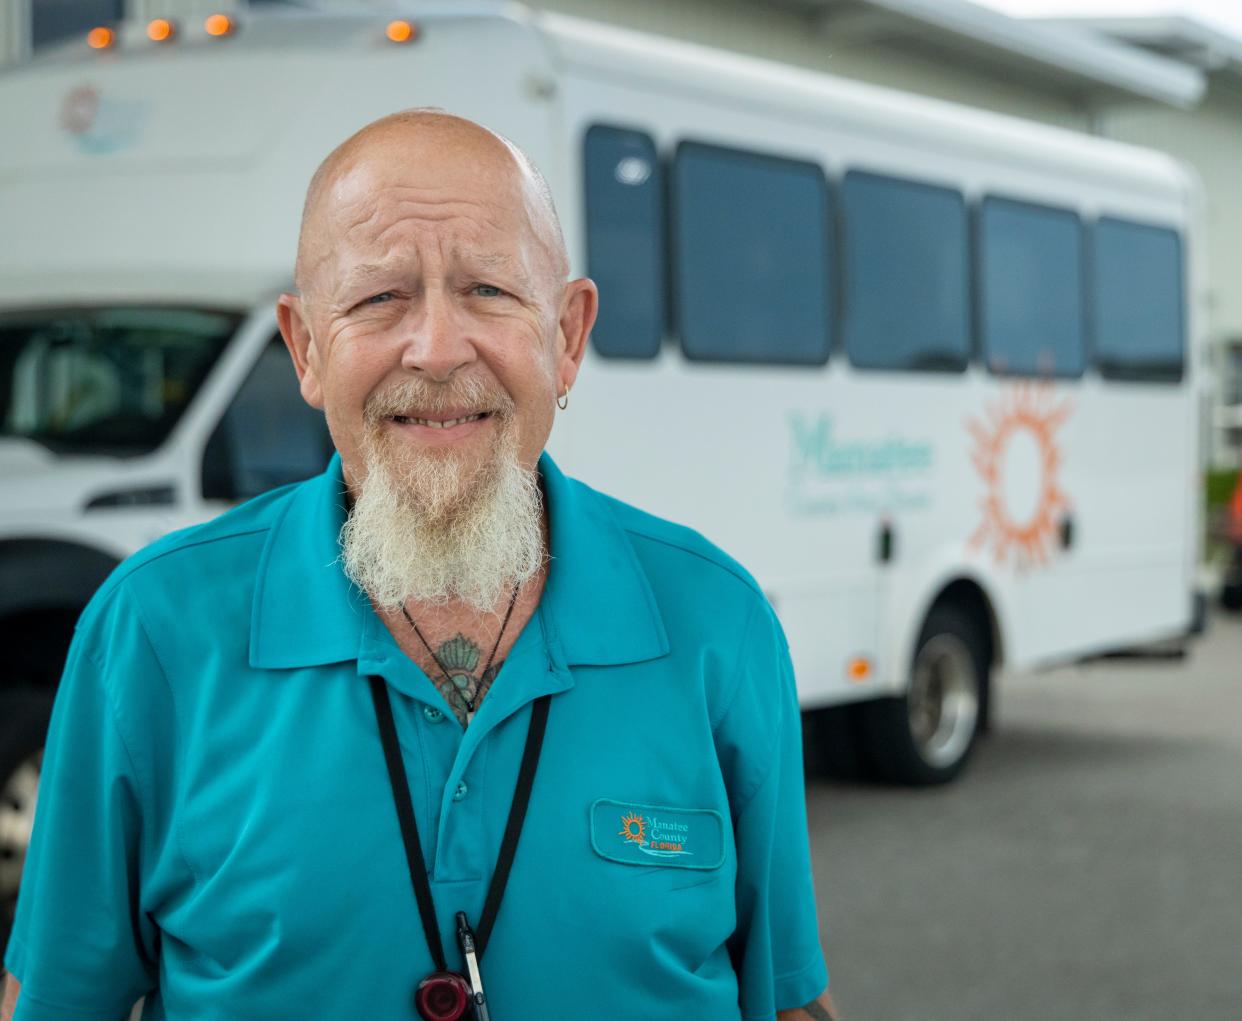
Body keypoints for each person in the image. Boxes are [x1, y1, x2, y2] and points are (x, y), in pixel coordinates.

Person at [1, 110, 838, 1021]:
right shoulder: (151, 632)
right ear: (307, 348)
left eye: (487, 290)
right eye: (379, 299)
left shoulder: (717, 622)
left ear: (567, 335)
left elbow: (788, 1000)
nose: (437, 349)